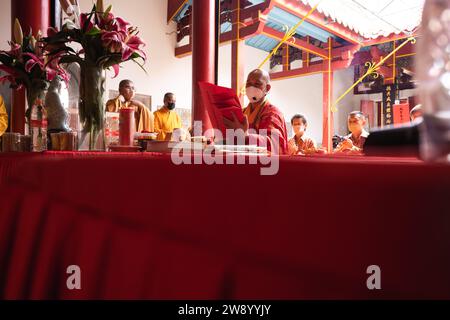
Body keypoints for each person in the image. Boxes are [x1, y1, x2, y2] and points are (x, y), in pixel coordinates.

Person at [223, 69, 288, 154]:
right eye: (248, 84)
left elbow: (274, 144)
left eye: (257, 84)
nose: (251, 87)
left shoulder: (272, 113)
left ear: (267, 88)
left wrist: (246, 137)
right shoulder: (242, 112)